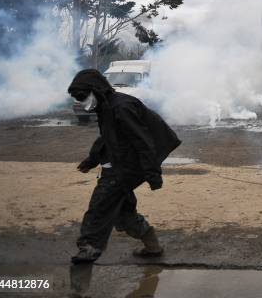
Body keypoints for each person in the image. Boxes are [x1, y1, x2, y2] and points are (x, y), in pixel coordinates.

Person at [67, 69, 181, 264]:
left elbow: (142, 141)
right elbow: (107, 137)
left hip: (127, 167)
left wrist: (153, 173)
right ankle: (152, 245)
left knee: (99, 206)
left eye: (82, 96)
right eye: (77, 98)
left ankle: (88, 248)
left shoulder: (121, 107)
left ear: (96, 90)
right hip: (119, 163)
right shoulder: (105, 106)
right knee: (123, 211)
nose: (81, 101)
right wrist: (92, 159)